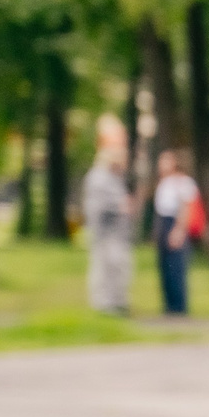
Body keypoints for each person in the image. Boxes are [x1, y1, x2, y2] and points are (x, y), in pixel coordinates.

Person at [83, 123, 134, 316]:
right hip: (105, 234)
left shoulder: (115, 177)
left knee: (120, 269)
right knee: (104, 270)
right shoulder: (98, 177)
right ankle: (105, 305)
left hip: (118, 234)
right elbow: (97, 207)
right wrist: (119, 206)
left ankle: (118, 302)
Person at [150, 150, 201, 316]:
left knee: (176, 266)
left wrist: (179, 230)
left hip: (175, 223)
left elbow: (185, 208)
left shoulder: (183, 182)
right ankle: (168, 305)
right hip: (163, 223)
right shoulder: (163, 182)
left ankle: (179, 306)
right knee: (164, 265)